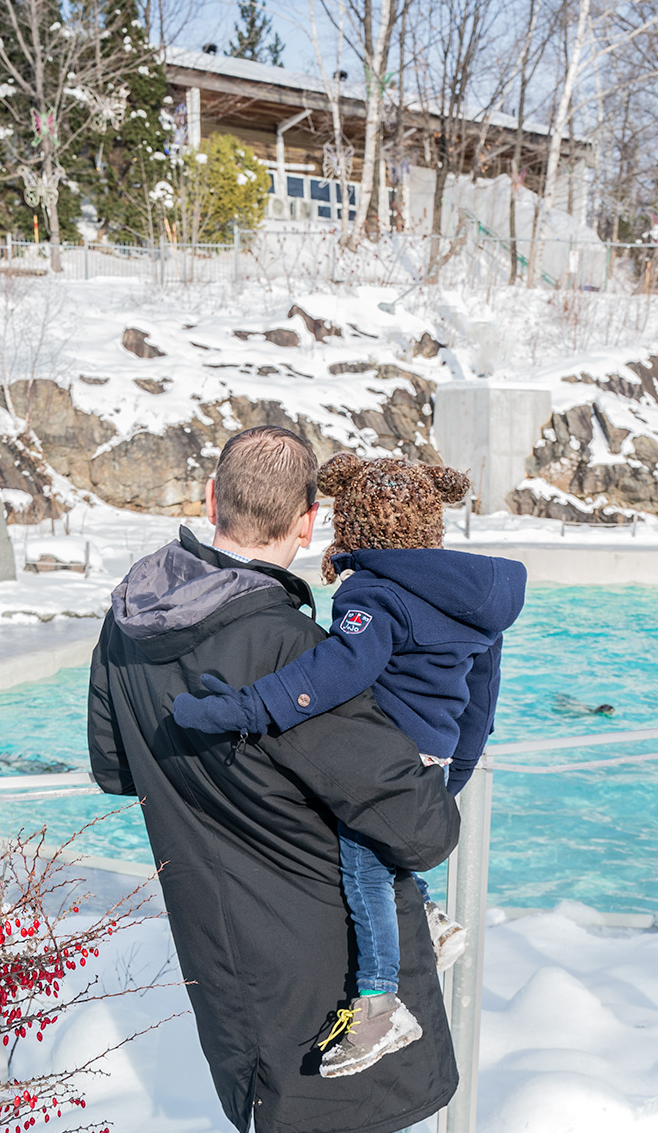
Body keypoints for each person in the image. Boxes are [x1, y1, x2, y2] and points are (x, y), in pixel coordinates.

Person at [87, 426, 461, 1133]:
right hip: (328, 948)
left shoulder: (133, 614)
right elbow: (417, 825)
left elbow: (119, 765)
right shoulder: (292, 651)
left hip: (223, 935)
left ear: (212, 502)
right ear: (306, 523)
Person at [174, 452, 527, 1079]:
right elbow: (481, 702)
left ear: (353, 524)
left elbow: (335, 674)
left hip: (388, 758)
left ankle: (380, 1003)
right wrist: (452, 775)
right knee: (381, 859)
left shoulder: (375, 591)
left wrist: (243, 708)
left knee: (362, 872)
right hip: (429, 760)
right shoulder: (471, 604)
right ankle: (429, 917)